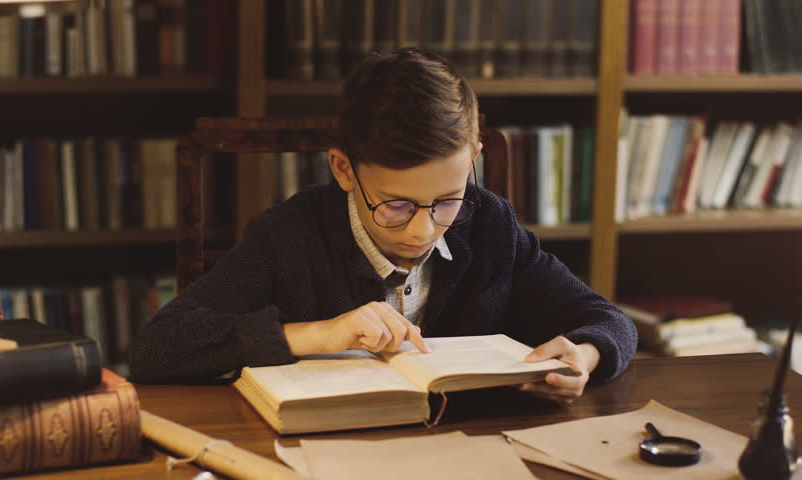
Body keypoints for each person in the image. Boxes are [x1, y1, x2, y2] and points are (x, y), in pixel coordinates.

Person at [129, 48, 637, 404]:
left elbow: (608, 319)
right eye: (395, 206)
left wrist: (585, 356)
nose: (423, 230)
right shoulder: (289, 237)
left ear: (473, 159)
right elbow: (157, 349)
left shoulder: (489, 225)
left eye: (446, 202)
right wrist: (316, 335)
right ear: (344, 169)